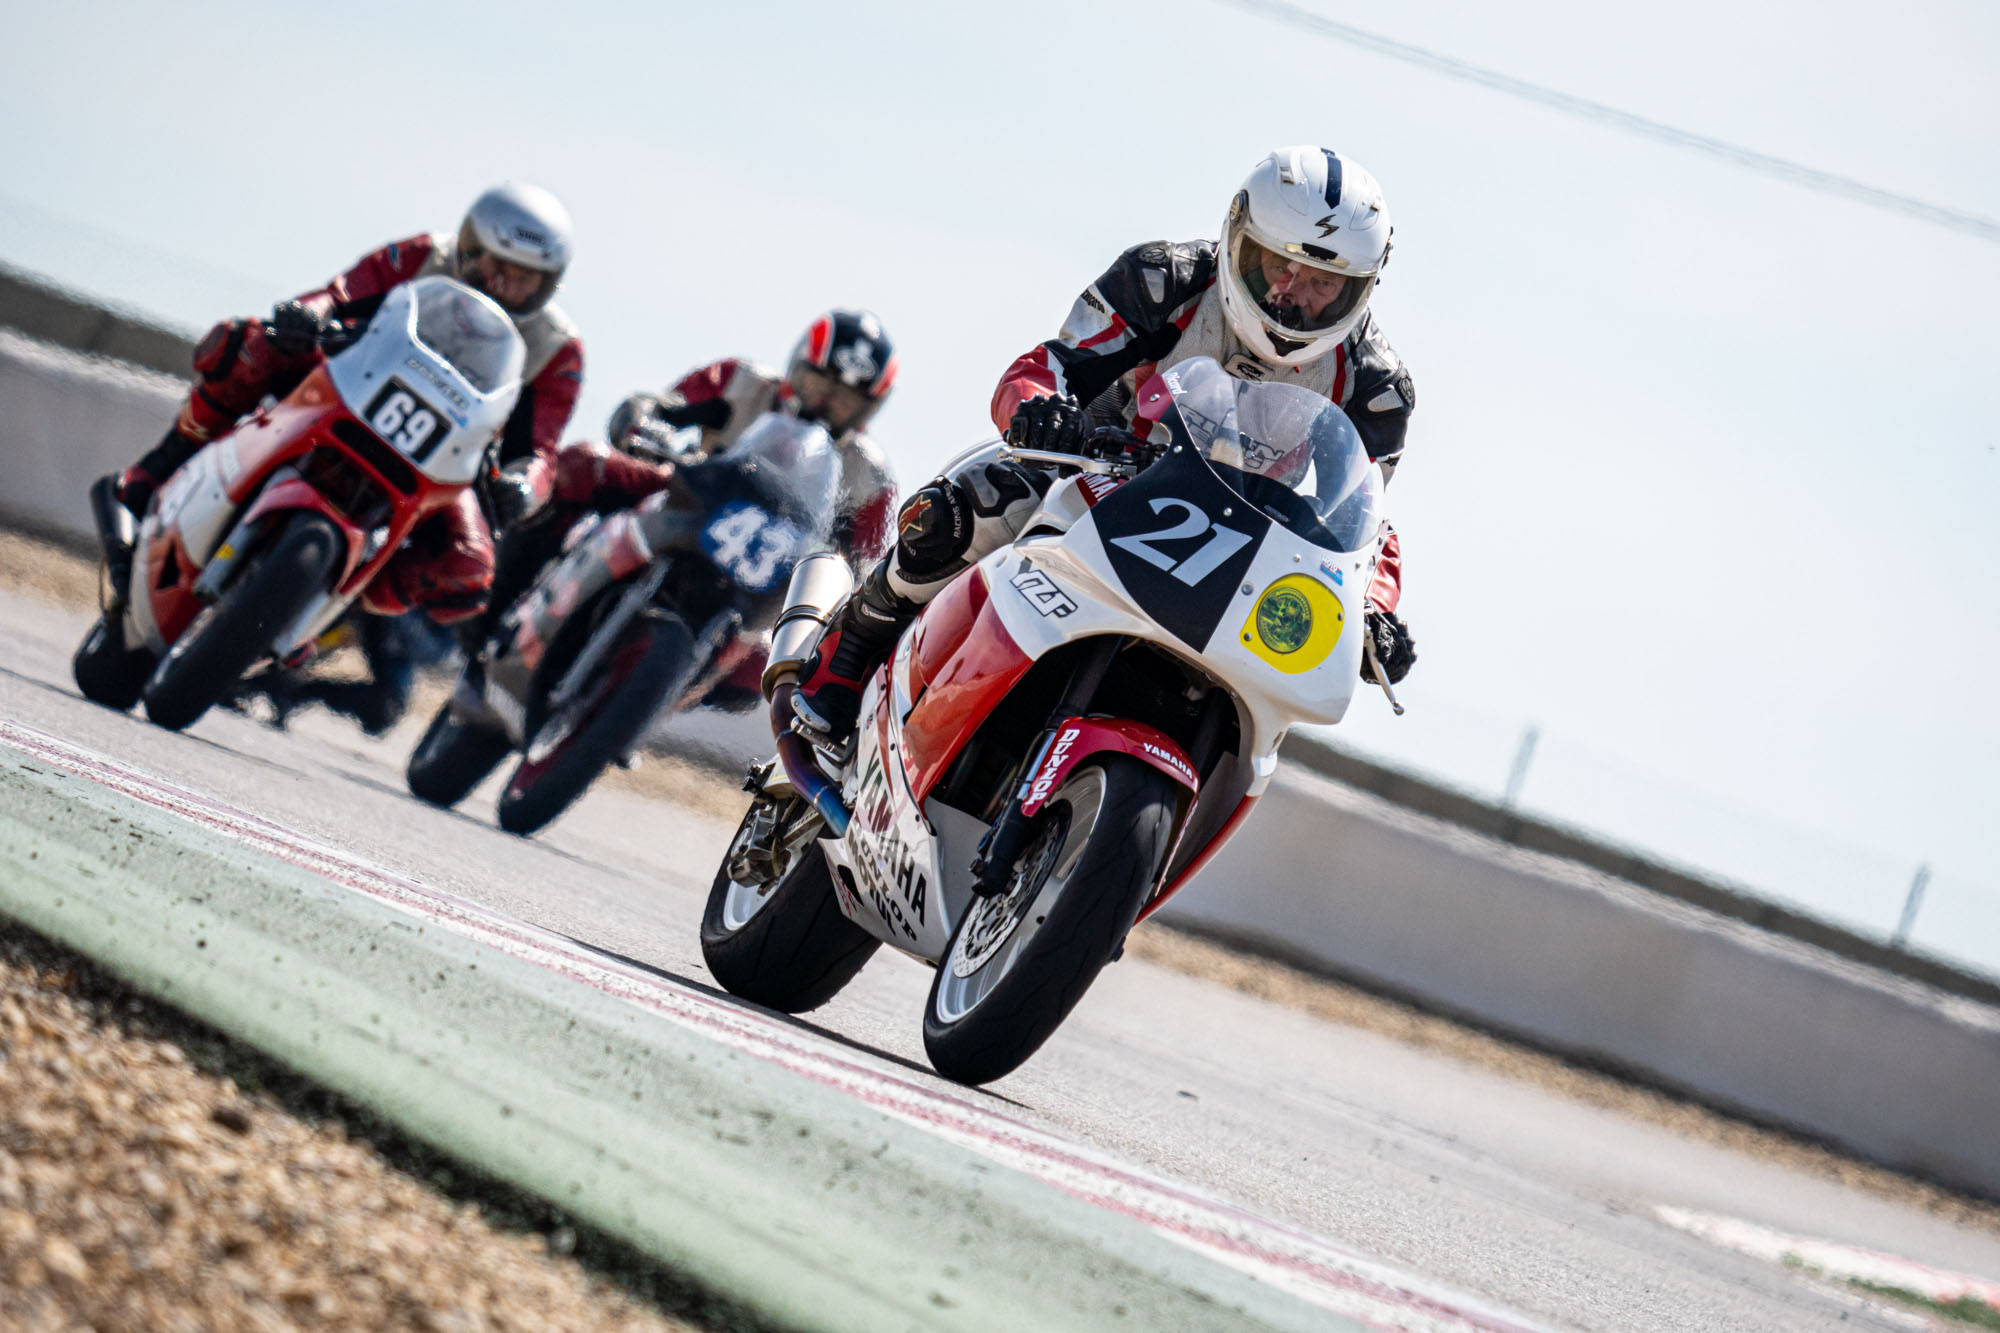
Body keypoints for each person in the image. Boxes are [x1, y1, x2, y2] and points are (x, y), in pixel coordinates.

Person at [796, 146, 1419, 742]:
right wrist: (1039, 408)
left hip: (1244, 549)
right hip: (1102, 474)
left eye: (1323, 282)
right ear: (1239, 239)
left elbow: (1365, 524)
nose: (1291, 293)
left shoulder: (1377, 389)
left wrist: (1375, 610)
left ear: (1362, 288)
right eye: (1278, 264)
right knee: (973, 505)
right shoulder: (1164, 279)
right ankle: (852, 646)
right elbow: (1047, 366)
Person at [103, 182, 585, 625]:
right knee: (248, 344)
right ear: (468, 247)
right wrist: (305, 316)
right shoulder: (423, 254)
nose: (502, 286)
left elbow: (540, 450)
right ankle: (157, 469)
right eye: (496, 267)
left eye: (524, 279)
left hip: (445, 457)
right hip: (352, 386)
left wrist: (524, 487)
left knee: (468, 571)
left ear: (548, 283)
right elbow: (339, 294)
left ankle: (332, 611)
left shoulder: (558, 348)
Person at [605, 309, 900, 565]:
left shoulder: (871, 477)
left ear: (868, 408)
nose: (826, 402)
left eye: (846, 400)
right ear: (799, 365)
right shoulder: (739, 381)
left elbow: (865, 567)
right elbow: (660, 406)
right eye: (819, 383)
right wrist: (642, 422)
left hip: (771, 581)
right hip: (682, 508)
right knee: (590, 462)